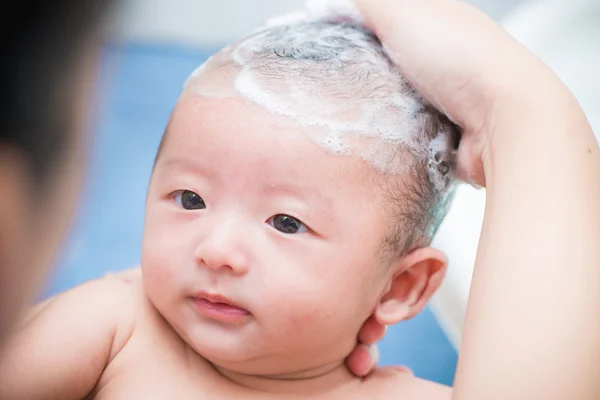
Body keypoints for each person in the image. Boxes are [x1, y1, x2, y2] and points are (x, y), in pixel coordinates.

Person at [1, 0, 598, 398]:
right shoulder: (119, 325)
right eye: (189, 199)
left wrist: (515, 113)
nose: (217, 250)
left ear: (400, 287)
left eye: (286, 222)